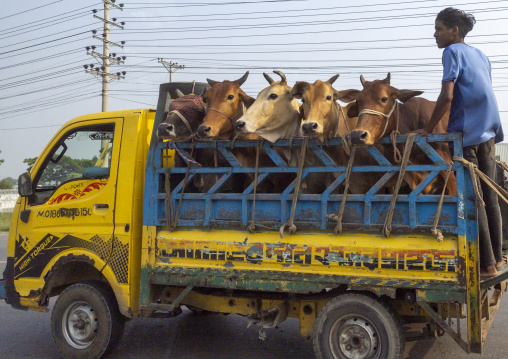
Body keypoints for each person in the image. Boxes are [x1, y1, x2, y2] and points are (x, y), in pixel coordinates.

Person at [418, 7, 505, 277]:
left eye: (439, 28)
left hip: (467, 135)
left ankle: (487, 264)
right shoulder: (481, 55)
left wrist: (428, 129)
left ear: (454, 31)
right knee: (490, 196)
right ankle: (499, 259)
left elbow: (447, 97)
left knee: (473, 198)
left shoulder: (451, 52)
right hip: (489, 131)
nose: (435, 34)